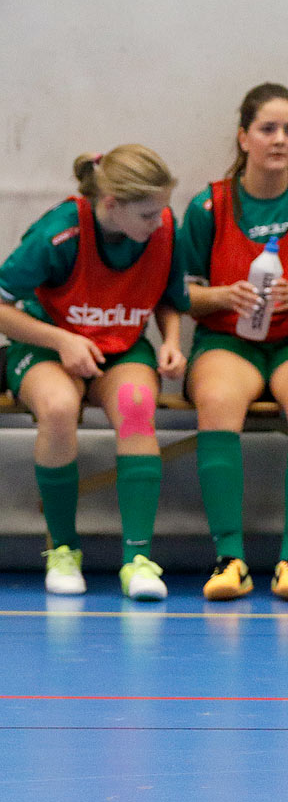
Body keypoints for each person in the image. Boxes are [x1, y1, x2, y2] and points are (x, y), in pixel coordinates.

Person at [178, 83, 288, 602]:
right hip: (229, 339)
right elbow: (181, 294)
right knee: (217, 399)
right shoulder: (210, 204)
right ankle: (229, 558)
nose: (279, 140)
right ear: (243, 137)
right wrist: (220, 296)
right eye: (267, 129)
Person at [0, 145, 189, 600]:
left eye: (162, 210)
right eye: (147, 214)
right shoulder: (59, 235)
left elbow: (168, 296)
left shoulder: (161, 230)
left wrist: (171, 342)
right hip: (46, 344)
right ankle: (63, 549)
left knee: (138, 409)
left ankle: (138, 559)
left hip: (120, 349)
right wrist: (62, 341)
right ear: (110, 205)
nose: (159, 221)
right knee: (60, 408)